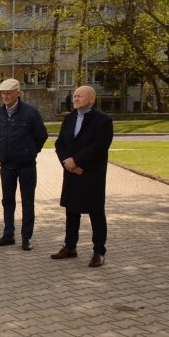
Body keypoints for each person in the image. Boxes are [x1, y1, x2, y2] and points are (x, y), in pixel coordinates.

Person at [52, 85, 113, 268]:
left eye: (79, 96)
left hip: (91, 173)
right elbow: (59, 143)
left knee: (96, 212)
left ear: (91, 99)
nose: (75, 98)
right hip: (72, 173)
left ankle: (99, 251)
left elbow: (100, 146)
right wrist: (68, 163)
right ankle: (70, 247)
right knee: (71, 211)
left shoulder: (102, 120)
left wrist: (77, 160)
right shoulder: (69, 118)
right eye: (75, 96)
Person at [0, 79, 48, 251]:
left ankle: (26, 237)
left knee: (27, 201)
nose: (5, 96)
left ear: (18, 93)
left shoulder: (30, 113)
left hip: (26, 166)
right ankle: (8, 234)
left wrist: (31, 152)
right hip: (6, 165)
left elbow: (42, 136)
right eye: (3, 93)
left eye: (9, 93)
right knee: (7, 201)